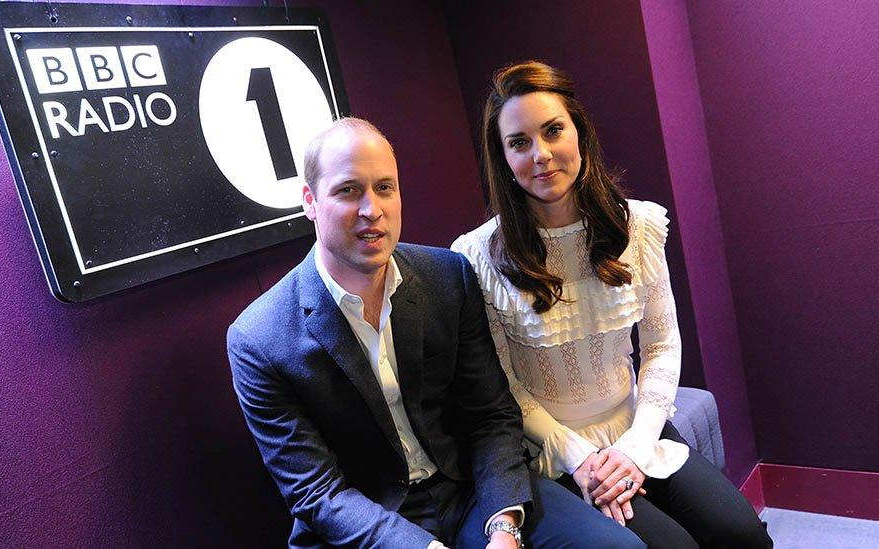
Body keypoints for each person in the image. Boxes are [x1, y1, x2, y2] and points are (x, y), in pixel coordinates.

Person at [228, 117, 645, 548]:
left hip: (470, 493)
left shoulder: (446, 276)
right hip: (368, 522)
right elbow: (318, 494)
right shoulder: (258, 339)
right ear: (310, 201)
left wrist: (504, 526)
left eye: (385, 187)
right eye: (349, 190)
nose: (373, 210)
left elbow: (491, 414)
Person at [451, 61, 772, 549]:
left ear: (578, 130)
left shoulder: (638, 226)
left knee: (743, 534)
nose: (541, 154)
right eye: (519, 142)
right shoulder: (477, 255)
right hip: (551, 450)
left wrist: (636, 446)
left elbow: (663, 344)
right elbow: (505, 388)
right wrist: (584, 461)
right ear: (502, 157)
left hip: (636, 428)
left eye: (553, 130)